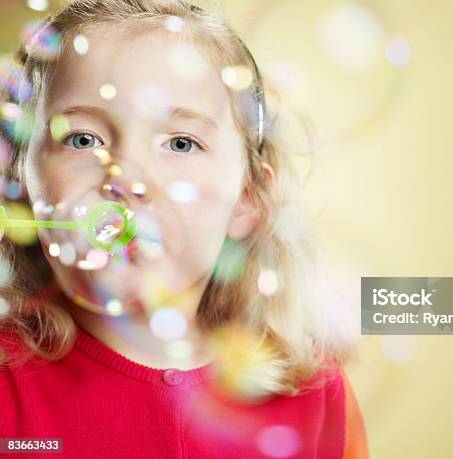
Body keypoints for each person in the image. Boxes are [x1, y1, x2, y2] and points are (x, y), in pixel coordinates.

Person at [0, 1, 368, 457]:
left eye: (180, 142)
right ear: (19, 184)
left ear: (247, 200)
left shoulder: (312, 391)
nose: (127, 179)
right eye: (82, 139)